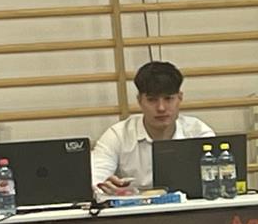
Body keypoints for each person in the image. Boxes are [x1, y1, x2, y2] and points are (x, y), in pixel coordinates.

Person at [92, 61, 215, 196]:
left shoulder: (198, 132)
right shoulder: (118, 135)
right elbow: (94, 180)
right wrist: (106, 188)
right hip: (135, 208)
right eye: (152, 100)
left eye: (168, 99)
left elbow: (218, 179)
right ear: (140, 101)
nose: (161, 108)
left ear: (180, 98)